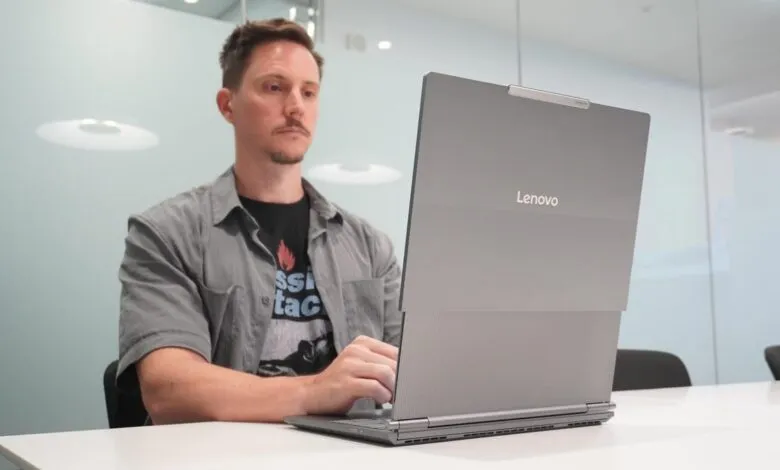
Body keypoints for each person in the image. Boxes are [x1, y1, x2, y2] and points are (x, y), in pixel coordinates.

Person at [116, 18, 403, 425]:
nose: (296, 107)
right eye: (274, 87)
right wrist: (315, 391)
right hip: (220, 454)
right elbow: (168, 389)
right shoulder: (167, 234)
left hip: (352, 453)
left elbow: (416, 372)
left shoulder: (371, 248)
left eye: (308, 92)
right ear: (227, 105)